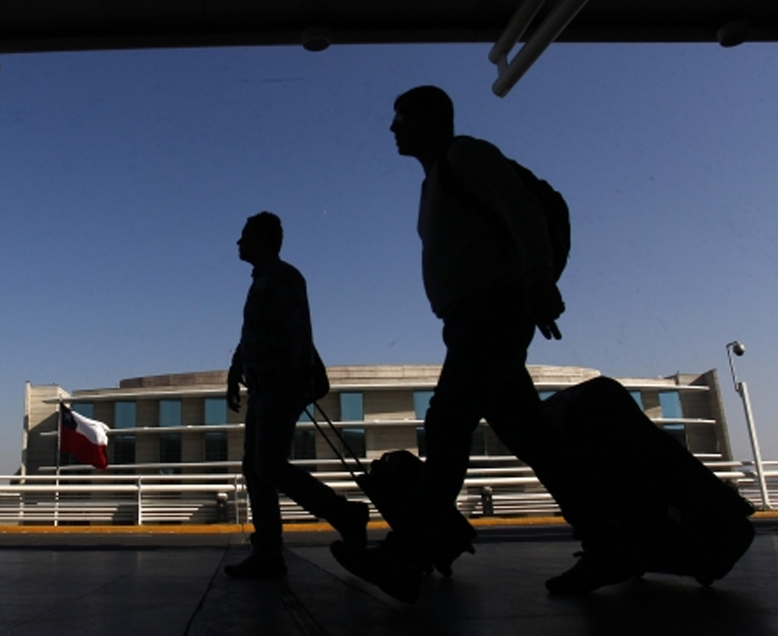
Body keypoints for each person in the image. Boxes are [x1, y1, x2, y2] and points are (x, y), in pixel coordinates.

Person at [332, 86, 633, 601]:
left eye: (401, 117)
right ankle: (612, 542)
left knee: (448, 424)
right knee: (532, 438)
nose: (392, 128)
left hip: (493, 312)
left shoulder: (465, 154)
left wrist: (538, 278)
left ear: (432, 117)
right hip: (472, 318)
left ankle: (406, 557)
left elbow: (521, 210)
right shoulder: (433, 182)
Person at [224, 211, 369, 579]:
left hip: (277, 386)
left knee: (268, 466)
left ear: (265, 239)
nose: (238, 243)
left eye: (245, 235)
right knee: (256, 469)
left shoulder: (285, 278)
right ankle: (269, 551)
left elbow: (298, 334)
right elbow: (251, 336)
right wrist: (235, 370)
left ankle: (344, 515)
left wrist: (290, 387)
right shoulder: (261, 282)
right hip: (262, 389)